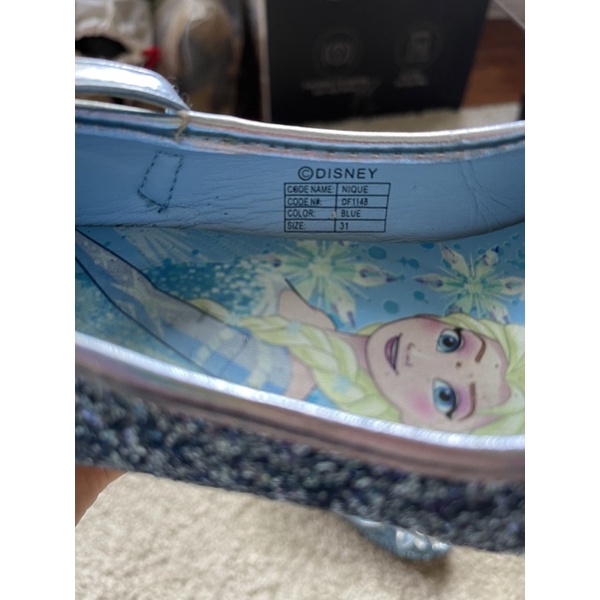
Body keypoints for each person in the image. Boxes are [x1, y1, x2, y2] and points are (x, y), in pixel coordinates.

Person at [76, 230, 524, 437]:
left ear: (419, 426)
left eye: (446, 396)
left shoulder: (287, 374)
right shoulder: (313, 324)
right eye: (451, 342)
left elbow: (145, 304)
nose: (416, 357)